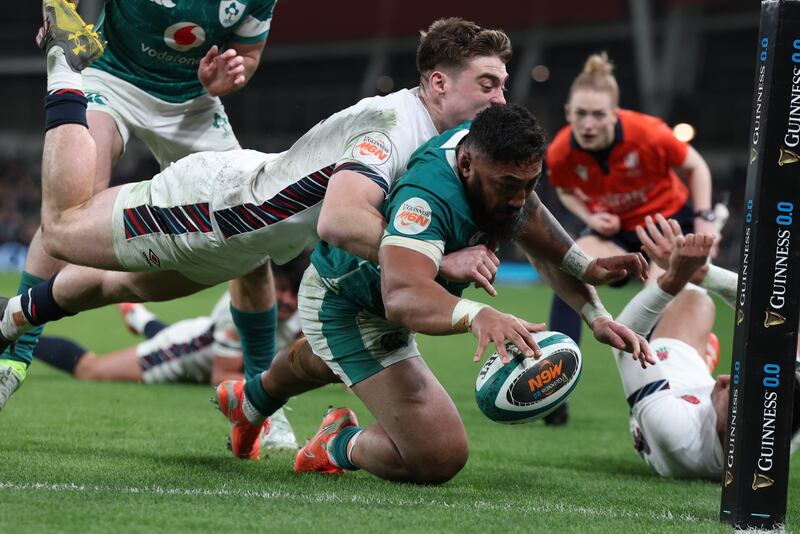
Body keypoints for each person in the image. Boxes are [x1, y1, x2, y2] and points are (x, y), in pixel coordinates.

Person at [0, 10, 647, 461]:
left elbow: (526, 215)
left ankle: (16, 315)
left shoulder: (460, 143)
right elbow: (340, 220)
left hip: (259, 233)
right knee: (65, 225)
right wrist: (439, 259)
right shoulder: (392, 127)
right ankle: (64, 65)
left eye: (503, 84)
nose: (501, 98)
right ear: (438, 83)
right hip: (219, 210)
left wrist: (589, 290)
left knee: (130, 285)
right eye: (488, 83)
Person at [214, 104, 655, 485]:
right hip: (349, 303)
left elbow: (536, 231)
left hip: (377, 297)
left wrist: (594, 304)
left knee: (328, 361)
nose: (519, 198)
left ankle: (250, 400)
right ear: (466, 165)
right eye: (509, 186)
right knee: (439, 455)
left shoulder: (497, 163)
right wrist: (478, 314)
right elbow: (403, 296)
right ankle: (337, 442)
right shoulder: (425, 198)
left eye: (530, 183)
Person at [0, 0, 276, 409]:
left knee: (253, 239)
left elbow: (248, 55)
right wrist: (56, 17)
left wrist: (231, 75)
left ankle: (263, 398)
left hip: (192, 101)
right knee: (71, 203)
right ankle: (14, 358)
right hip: (111, 77)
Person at [542, 52, 720, 425]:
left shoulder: (647, 132)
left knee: (659, 295)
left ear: (615, 113)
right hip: (617, 233)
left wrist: (704, 220)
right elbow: (565, 190)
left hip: (666, 226)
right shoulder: (561, 149)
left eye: (598, 114)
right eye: (580, 114)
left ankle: (660, 400)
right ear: (568, 112)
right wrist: (590, 216)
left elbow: (697, 166)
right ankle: (555, 386)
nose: (588, 123)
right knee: (570, 267)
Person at [33, 255, 308, 451]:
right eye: (282, 289)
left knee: (177, 335)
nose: (287, 300)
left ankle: (137, 316)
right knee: (90, 369)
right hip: (185, 353)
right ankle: (23, 338)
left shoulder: (300, 313)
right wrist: (277, 386)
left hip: (202, 337)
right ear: (269, 283)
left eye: (294, 294)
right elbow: (221, 375)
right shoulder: (239, 308)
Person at [615, 215, 800, 478]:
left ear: (734, 424)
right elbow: (777, 319)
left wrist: (675, 279)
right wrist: (702, 273)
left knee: (694, 302)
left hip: (670, 389)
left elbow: (623, 338)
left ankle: (699, 350)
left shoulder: (675, 431)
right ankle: (701, 356)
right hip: (699, 390)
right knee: (786, 338)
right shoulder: (781, 431)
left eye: (733, 390)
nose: (723, 378)